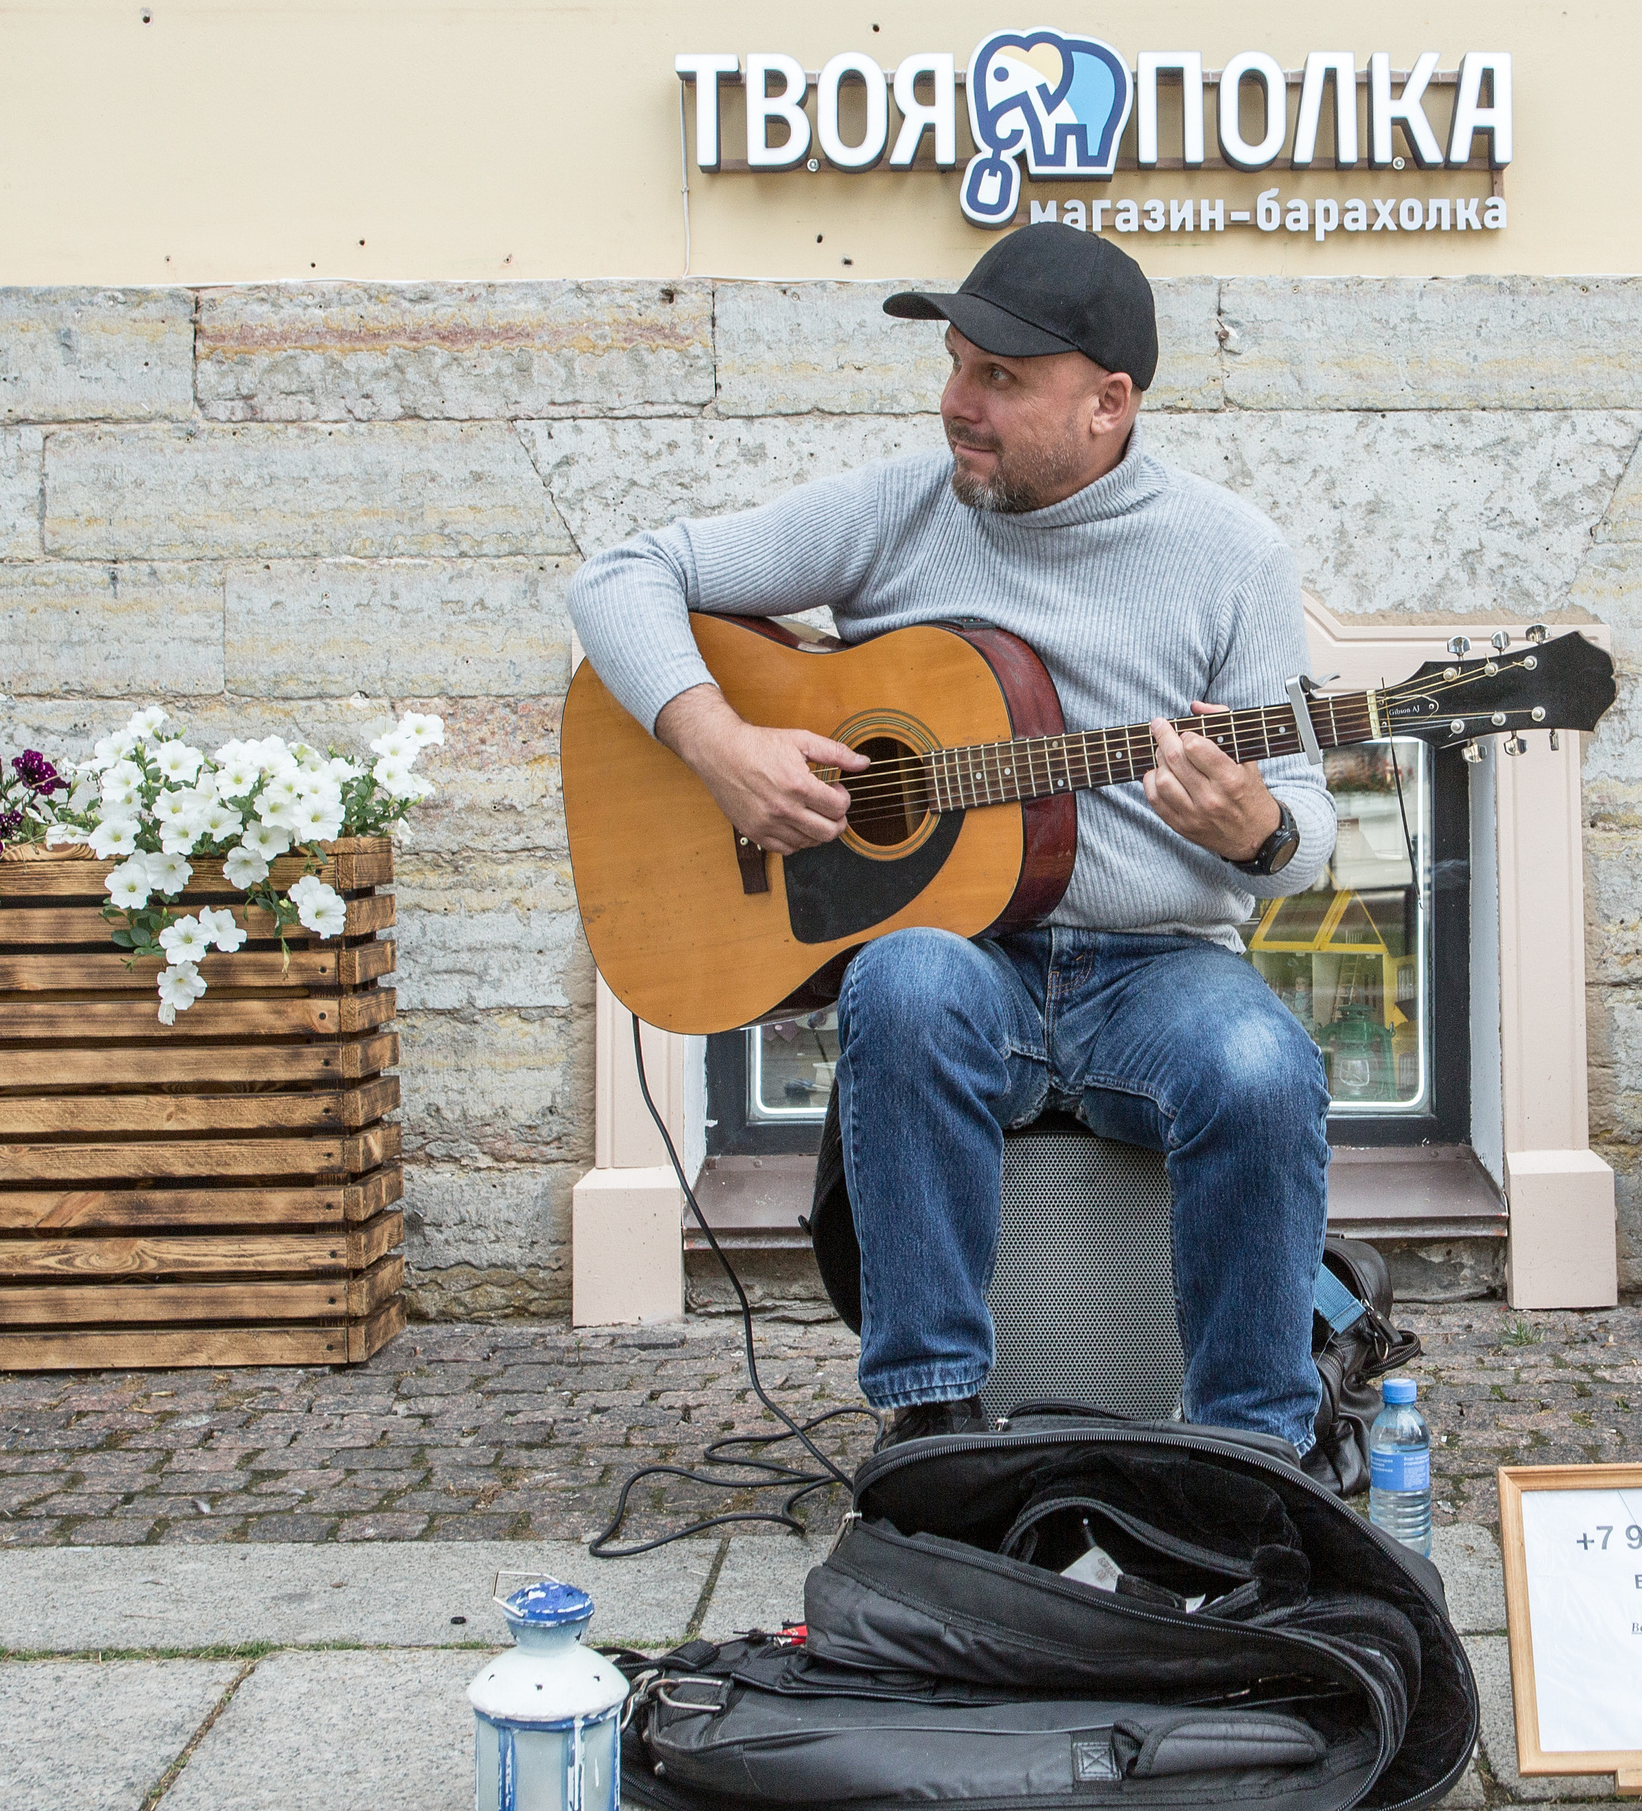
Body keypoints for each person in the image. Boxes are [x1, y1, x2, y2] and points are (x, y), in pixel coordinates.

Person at [566, 222, 1337, 1453]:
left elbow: (1306, 835)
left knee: (1262, 1071)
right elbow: (618, 578)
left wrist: (1258, 831)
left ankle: (1255, 1454)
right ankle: (929, 1427)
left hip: (1159, 971)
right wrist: (720, 744)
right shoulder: (897, 510)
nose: (956, 406)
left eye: (999, 379)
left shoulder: (1230, 555)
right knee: (906, 975)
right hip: (963, 959)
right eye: (956, 365)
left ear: (1107, 402)